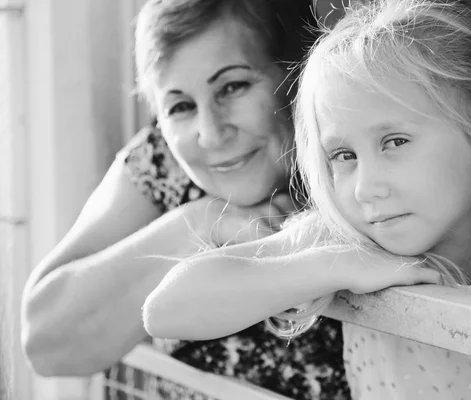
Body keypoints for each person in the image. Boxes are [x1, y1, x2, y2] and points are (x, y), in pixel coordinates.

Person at [142, 0, 471, 399]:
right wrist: (337, 266)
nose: (365, 187)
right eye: (343, 154)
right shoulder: (348, 236)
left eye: (395, 142)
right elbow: (165, 310)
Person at [21, 1, 351, 399]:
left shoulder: (357, 157)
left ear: (295, 74)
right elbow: (44, 343)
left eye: (233, 86)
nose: (210, 135)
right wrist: (199, 223)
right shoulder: (164, 161)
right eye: (180, 106)